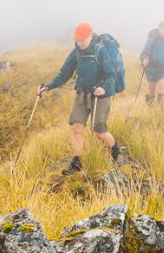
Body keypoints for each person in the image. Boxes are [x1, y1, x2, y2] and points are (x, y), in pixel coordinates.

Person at [39, 23, 123, 175]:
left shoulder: (100, 50)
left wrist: (104, 87)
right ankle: (77, 163)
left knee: (99, 131)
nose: (80, 42)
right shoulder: (76, 52)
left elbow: (111, 75)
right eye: (78, 39)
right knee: (77, 128)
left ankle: (115, 148)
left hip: (101, 96)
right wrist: (48, 86)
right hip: (82, 94)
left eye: (83, 39)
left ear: (91, 36)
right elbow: (64, 73)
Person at [140, 21, 164, 104]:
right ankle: (149, 110)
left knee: (162, 88)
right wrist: (145, 58)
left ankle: (159, 110)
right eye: (161, 29)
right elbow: (145, 52)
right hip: (152, 67)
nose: (163, 31)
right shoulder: (152, 40)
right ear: (159, 29)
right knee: (151, 90)